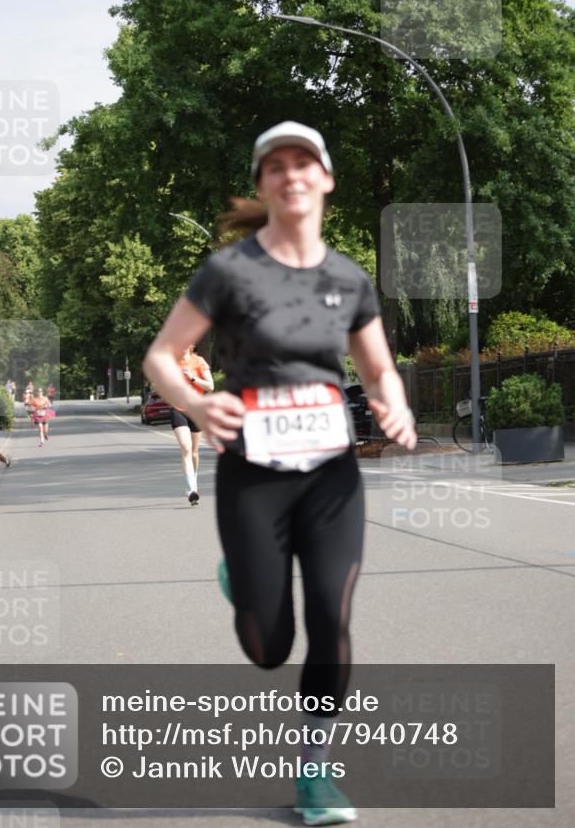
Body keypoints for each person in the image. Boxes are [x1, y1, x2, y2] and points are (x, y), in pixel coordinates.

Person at [143, 121, 417, 825]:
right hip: (252, 472)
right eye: (277, 165)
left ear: (324, 178)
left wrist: (394, 405)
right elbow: (161, 357)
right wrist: (197, 404)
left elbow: (376, 365)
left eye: (305, 163)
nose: (292, 174)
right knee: (268, 649)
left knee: (334, 613)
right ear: (265, 184)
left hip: (329, 472)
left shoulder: (347, 277)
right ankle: (242, 579)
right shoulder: (229, 271)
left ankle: (315, 773)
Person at [169, 345, 214, 505]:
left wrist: (193, 378)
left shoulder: (199, 362)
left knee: (194, 452)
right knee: (186, 448)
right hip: (178, 409)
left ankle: (193, 482)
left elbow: (211, 386)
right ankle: (191, 490)